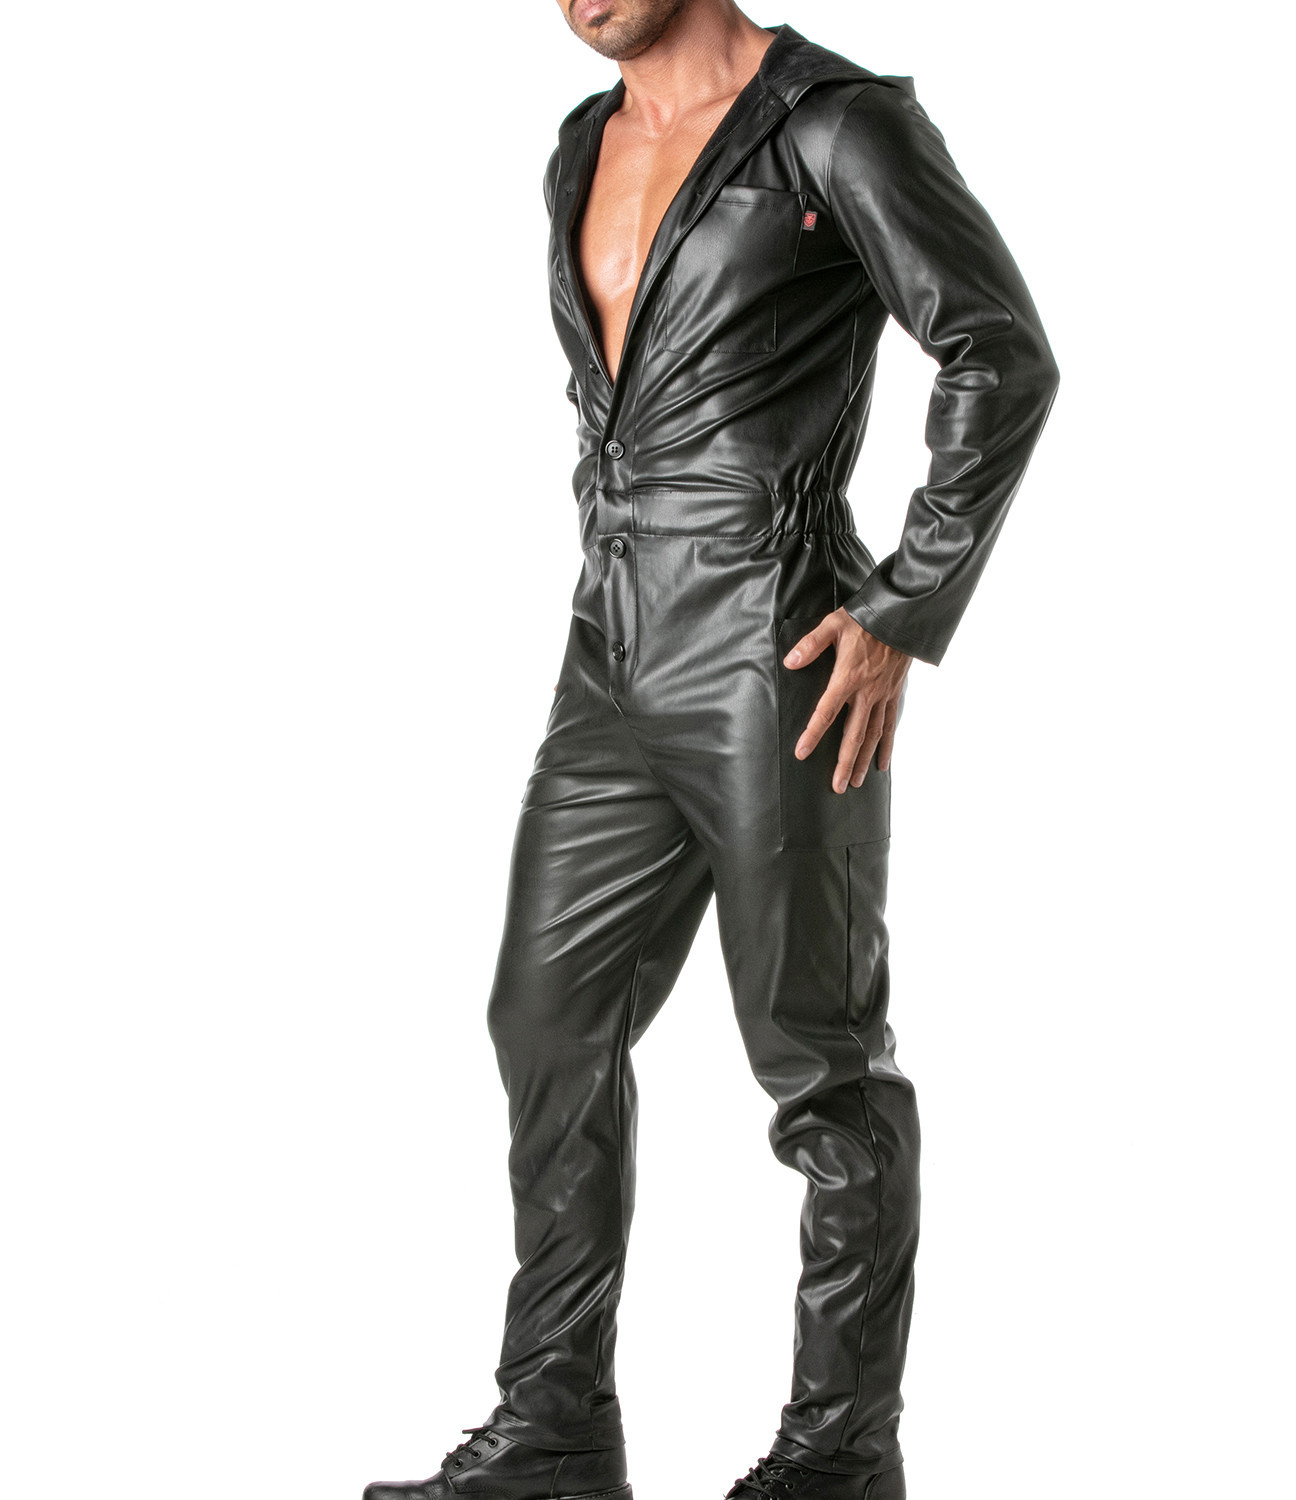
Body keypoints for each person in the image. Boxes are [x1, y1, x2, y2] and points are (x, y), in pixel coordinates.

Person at [362, 5, 1058, 1498]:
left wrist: (905, 607)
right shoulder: (582, 144)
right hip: (607, 650)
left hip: (773, 646)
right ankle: (556, 1429)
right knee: (544, 1023)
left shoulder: (837, 125)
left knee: (820, 1064)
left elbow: (999, 354)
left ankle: (838, 1456)